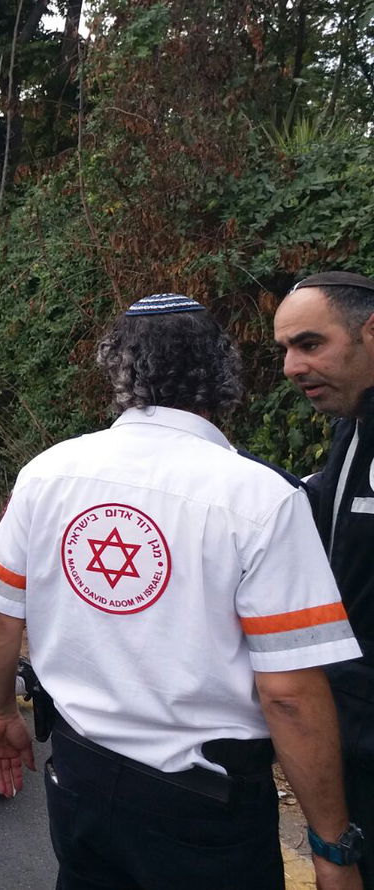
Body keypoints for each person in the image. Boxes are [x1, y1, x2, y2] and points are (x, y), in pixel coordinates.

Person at [0, 293, 363, 890]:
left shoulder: (46, 473)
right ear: (221, 373)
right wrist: (332, 846)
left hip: (80, 776)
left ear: (117, 370)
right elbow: (288, 693)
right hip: (204, 805)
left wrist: (0, 712)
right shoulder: (261, 498)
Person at [276, 270, 374, 883]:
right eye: (285, 350)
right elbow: (325, 506)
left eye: (310, 344)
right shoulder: (354, 424)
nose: (291, 367)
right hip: (353, 739)